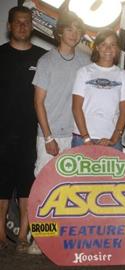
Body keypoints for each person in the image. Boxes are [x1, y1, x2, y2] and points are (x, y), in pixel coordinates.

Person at [31, 11, 89, 255]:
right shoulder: (46, 61)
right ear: (59, 32)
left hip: (75, 133)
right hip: (51, 134)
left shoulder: (85, 61)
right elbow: (38, 102)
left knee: (72, 188)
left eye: (77, 29)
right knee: (45, 186)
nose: (74, 34)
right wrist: (48, 137)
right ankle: (39, 238)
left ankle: (65, 236)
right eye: (69, 29)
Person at [0, 6, 46, 253]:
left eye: (26, 22)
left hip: (32, 132)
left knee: (28, 184)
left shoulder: (43, 57)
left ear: (32, 26)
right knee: (2, 185)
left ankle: (23, 236)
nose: (22, 26)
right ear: (9, 26)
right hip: (2, 133)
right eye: (17, 22)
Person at [72, 30, 125, 149]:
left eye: (113, 44)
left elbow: (124, 112)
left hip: (111, 141)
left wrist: (114, 138)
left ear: (117, 48)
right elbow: (76, 107)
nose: (108, 48)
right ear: (97, 47)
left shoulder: (123, 75)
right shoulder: (84, 72)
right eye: (104, 44)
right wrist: (86, 138)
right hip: (82, 139)